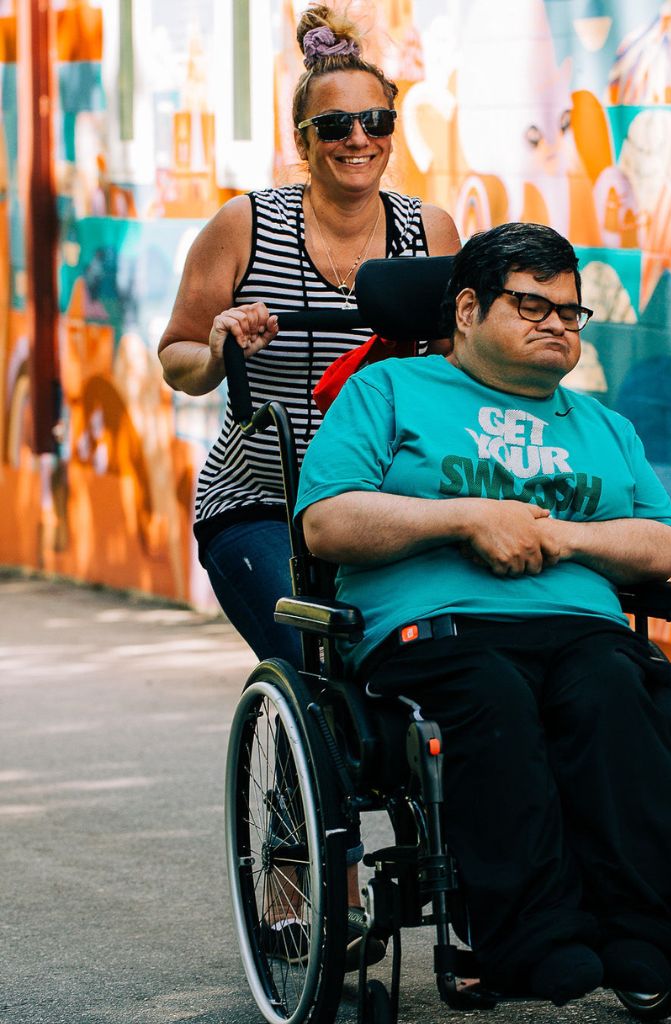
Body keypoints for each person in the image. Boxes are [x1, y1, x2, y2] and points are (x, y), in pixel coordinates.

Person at [294, 222, 671, 1005]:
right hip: (438, 632)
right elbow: (327, 521)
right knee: (492, 703)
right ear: (467, 309)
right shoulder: (387, 391)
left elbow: (659, 544)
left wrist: (562, 537)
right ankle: (536, 942)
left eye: (570, 312)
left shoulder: (605, 426)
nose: (557, 323)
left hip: (582, 629)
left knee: (619, 702)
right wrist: (464, 518)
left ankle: (645, 938)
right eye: (532, 305)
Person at [157, 5, 460, 966]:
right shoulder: (245, 223)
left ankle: (459, 855)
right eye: (336, 127)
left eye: (376, 123)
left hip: (381, 499)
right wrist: (219, 343)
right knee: (311, 670)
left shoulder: (428, 230)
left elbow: (459, 370)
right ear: (304, 140)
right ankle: (299, 874)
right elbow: (174, 359)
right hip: (263, 500)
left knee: (441, 656)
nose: (359, 141)